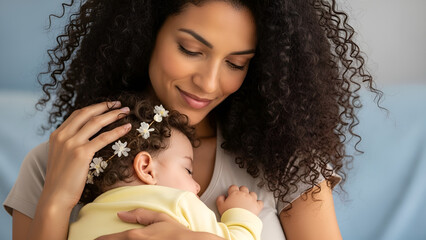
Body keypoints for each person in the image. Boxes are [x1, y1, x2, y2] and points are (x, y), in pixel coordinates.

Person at [4, 0, 382, 239]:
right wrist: (55, 203)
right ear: (147, 33)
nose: (209, 82)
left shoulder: (286, 164)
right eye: (190, 49)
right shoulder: (55, 162)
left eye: (236, 63)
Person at [68, 94, 263, 240]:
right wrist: (241, 214)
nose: (197, 187)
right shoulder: (179, 202)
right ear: (146, 168)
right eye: (187, 170)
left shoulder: (80, 220)